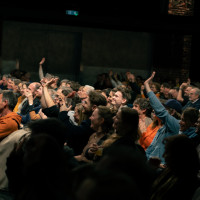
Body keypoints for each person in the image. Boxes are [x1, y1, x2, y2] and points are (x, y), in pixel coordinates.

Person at [144, 72, 182, 164]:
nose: (160, 110)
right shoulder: (163, 127)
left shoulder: (175, 124)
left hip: (161, 168)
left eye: (166, 108)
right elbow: (152, 148)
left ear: (172, 112)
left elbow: (160, 111)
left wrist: (147, 86)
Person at [150, 134, 200, 200]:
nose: (163, 155)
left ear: (178, 156)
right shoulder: (169, 172)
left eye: (167, 152)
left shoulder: (188, 185)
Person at [58, 90, 107, 156]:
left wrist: (63, 113)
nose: (82, 104)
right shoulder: (89, 122)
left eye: (86, 103)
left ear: (94, 107)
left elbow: (73, 133)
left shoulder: (93, 125)